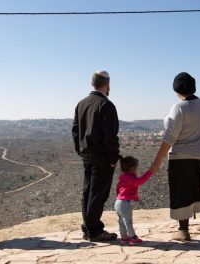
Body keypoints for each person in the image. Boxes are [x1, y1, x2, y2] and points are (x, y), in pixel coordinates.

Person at [151, 72, 200, 242]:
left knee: (180, 192)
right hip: (199, 155)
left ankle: (183, 230)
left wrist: (157, 160)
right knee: (196, 189)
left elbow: (169, 137)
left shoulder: (179, 107)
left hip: (180, 156)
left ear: (176, 89)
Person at [72, 70, 120, 242]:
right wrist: (114, 158)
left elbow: (75, 131)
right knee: (98, 194)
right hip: (102, 157)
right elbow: (110, 136)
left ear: (92, 83)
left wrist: (80, 150)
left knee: (87, 192)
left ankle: (87, 227)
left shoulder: (81, 104)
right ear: (107, 84)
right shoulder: (106, 105)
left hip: (87, 155)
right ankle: (94, 230)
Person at [114, 156, 154, 245]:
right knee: (128, 221)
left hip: (118, 202)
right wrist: (149, 173)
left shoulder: (122, 177)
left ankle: (124, 238)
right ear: (133, 168)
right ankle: (133, 238)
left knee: (122, 221)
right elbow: (139, 181)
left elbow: (117, 189)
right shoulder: (130, 177)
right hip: (125, 203)